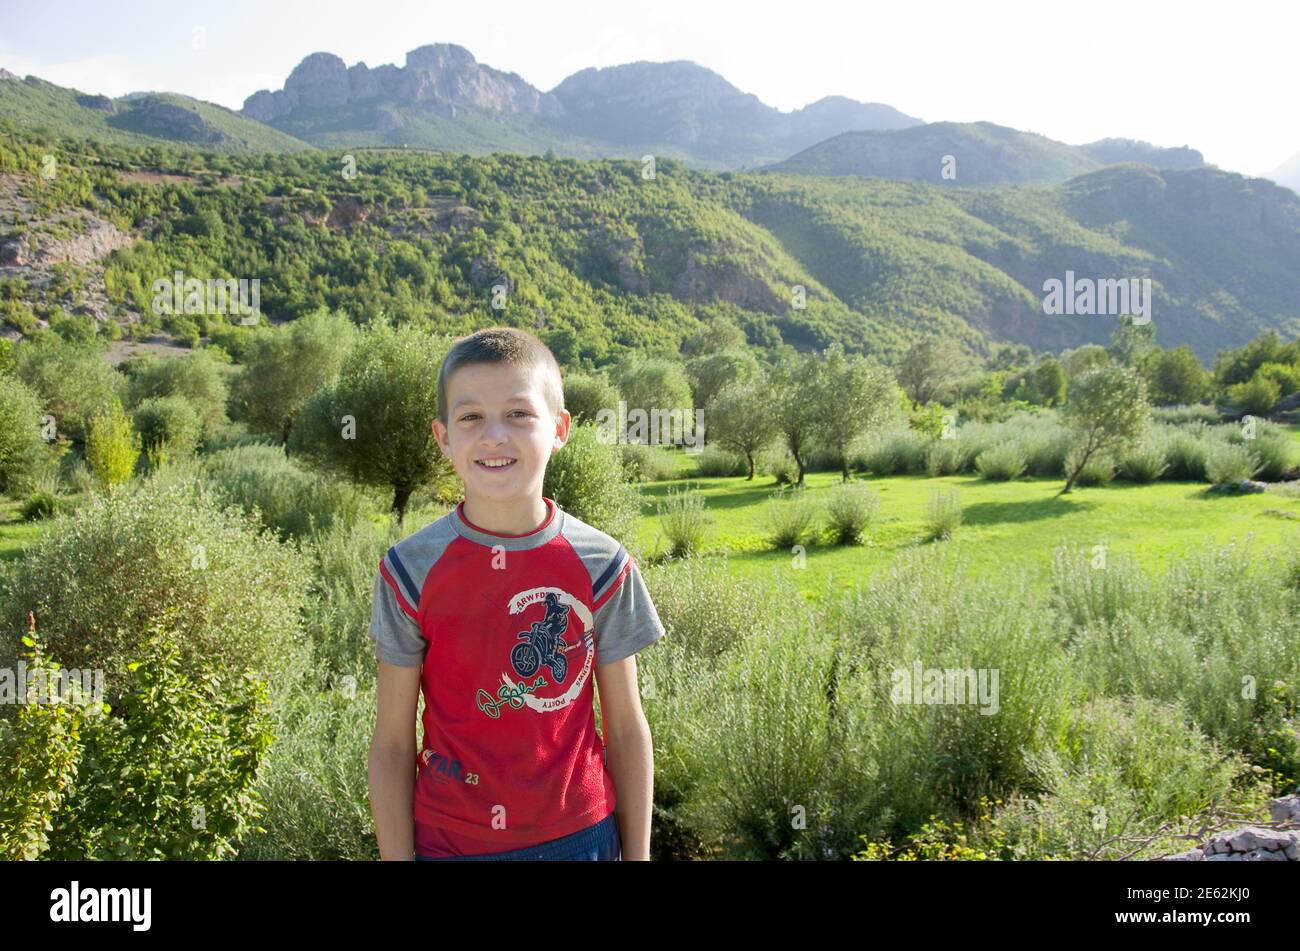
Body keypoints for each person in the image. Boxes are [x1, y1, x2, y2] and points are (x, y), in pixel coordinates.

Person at [367, 326, 666, 861]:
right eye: (471, 417)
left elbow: (624, 727)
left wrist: (639, 855)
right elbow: (392, 742)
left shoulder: (603, 564)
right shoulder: (408, 571)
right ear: (443, 437)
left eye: (519, 414)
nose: (494, 436)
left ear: (560, 428)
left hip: (583, 840)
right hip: (452, 844)